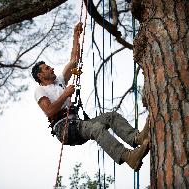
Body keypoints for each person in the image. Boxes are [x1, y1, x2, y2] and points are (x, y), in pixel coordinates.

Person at [31, 22, 149, 171]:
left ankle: (136, 138)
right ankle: (129, 157)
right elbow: (49, 111)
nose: (51, 68)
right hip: (64, 128)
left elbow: (74, 60)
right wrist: (65, 95)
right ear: (40, 75)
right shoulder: (40, 91)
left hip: (76, 123)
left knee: (111, 117)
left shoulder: (59, 81)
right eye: (47, 68)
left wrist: (76, 35)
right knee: (96, 128)